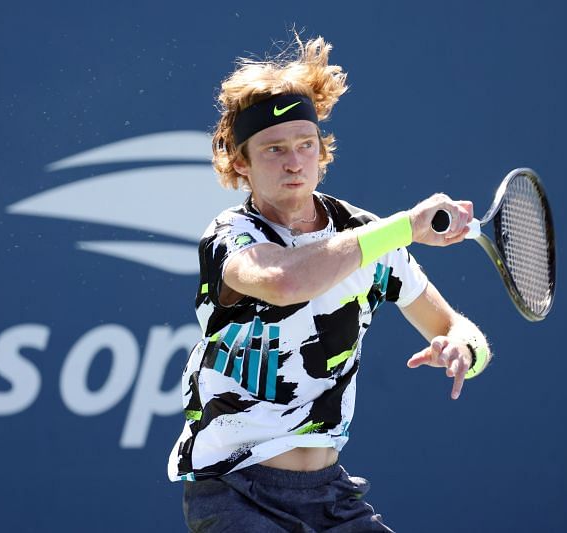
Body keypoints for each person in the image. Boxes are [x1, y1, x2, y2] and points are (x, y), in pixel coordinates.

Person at [168, 34, 491, 532]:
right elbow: (282, 281)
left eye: (305, 145)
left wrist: (464, 351)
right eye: (274, 149)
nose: (295, 161)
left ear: (323, 152)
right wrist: (405, 226)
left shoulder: (366, 233)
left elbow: (454, 326)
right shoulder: (229, 235)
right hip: (233, 490)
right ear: (240, 162)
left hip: (330, 495)